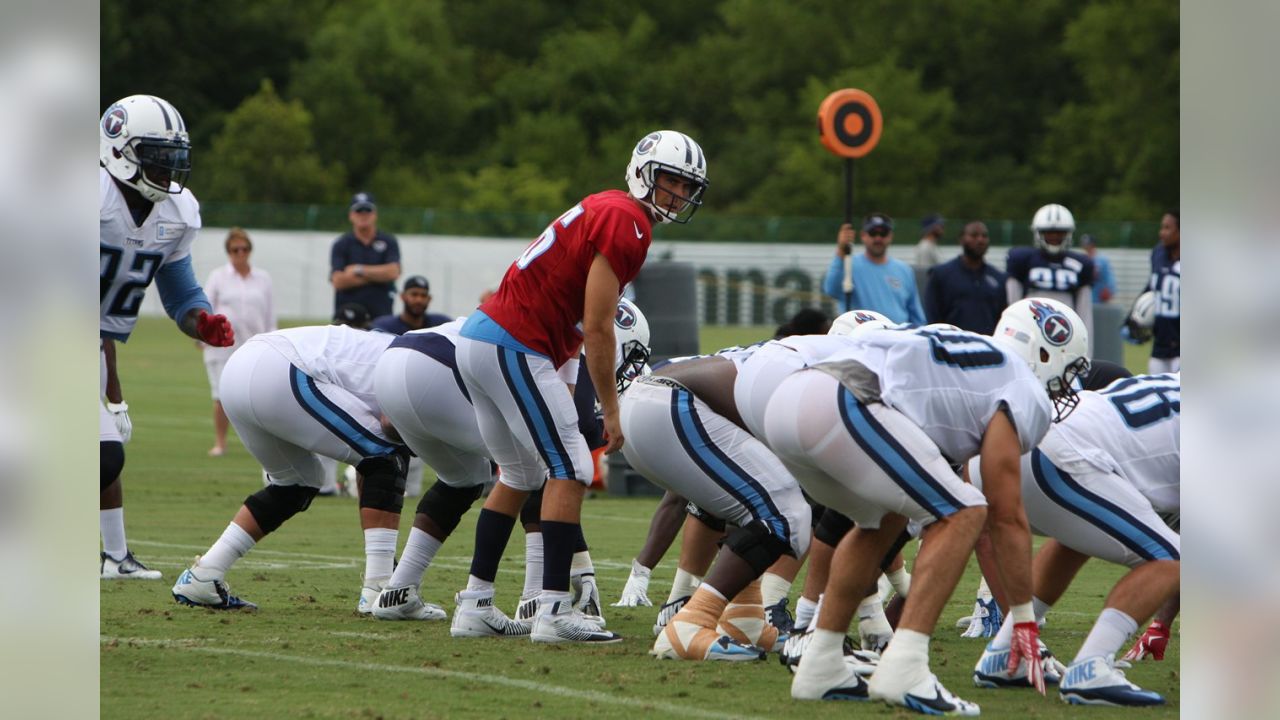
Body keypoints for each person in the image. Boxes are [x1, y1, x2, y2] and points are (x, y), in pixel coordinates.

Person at [749, 299, 1088, 714]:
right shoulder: (1022, 385)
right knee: (965, 510)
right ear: (1044, 352)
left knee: (879, 520)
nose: (1064, 389)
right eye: (1069, 374)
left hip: (790, 399)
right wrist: (1023, 619)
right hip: (847, 397)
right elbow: (1003, 512)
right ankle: (906, 666)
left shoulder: (972, 359)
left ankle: (821, 662)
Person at [449, 129, 707, 645]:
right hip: (512, 341)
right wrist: (610, 410)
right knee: (571, 465)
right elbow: (597, 325)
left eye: (685, 186)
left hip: (482, 337)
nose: (676, 194)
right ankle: (551, 610)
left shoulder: (607, 207)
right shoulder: (627, 219)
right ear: (642, 172)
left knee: (521, 471)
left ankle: (475, 603)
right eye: (669, 181)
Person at [371, 299, 651, 622]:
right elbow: (581, 431)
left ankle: (399, 589)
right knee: (538, 465)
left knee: (465, 479)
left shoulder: (550, 318)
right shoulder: (581, 337)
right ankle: (532, 601)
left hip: (400, 360)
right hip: (440, 365)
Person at [969, 372, 1178, 706]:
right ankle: (1090, 669)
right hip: (1061, 459)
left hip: (1007, 443)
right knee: (1173, 558)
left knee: (1079, 538)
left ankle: (1005, 653)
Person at [171, 323, 408, 612]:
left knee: (297, 482)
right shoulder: (420, 364)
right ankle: (381, 588)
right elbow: (389, 428)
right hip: (282, 368)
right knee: (387, 456)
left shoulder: (410, 350)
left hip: (240, 368)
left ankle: (203, 575)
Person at [99, 94, 235, 580]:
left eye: (173, 155)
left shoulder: (175, 212)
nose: (169, 167)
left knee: (104, 454)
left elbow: (179, 293)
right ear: (119, 149)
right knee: (99, 452)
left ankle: (115, 558)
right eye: (157, 155)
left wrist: (201, 320)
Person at [201, 228, 276, 457]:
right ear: (228, 252)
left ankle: (260, 444)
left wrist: (273, 341)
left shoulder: (263, 279)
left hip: (255, 346)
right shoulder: (217, 277)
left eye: (244, 249)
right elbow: (205, 309)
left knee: (257, 396)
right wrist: (202, 335)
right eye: (235, 250)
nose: (240, 253)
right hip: (221, 347)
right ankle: (221, 442)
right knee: (221, 396)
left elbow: (270, 314)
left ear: (250, 250)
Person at [1006, 203, 1095, 352]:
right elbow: (1011, 304)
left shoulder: (1080, 264)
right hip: (1029, 330)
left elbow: (1085, 312)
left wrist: (1085, 351)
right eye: (1049, 232)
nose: (1054, 236)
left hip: (1066, 333)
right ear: (1038, 233)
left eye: (1059, 233)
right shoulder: (1023, 259)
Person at [821, 213, 926, 323]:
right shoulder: (848, 265)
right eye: (873, 233)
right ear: (863, 236)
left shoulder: (905, 270)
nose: (878, 238)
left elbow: (915, 313)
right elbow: (831, 289)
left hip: (897, 337)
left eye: (883, 233)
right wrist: (841, 250)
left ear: (890, 236)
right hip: (861, 337)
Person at [923, 221, 1007, 334]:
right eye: (974, 235)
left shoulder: (998, 278)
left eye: (984, 236)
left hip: (987, 348)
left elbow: (1002, 319)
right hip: (951, 346)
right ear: (961, 239)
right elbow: (932, 317)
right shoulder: (941, 274)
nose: (980, 240)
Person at [330, 192, 401, 319]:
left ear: (375, 215)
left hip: (380, 314)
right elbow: (338, 281)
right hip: (347, 316)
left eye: (367, 210)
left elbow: (393, 272)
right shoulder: (341, 244)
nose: (363, 215)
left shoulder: (389, 241)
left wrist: (358, 270)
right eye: (359, 211)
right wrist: (378, 277)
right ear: (351, 215)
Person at [1147, 210, 1180, 372]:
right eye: (1162, 228)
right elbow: (1151, 287)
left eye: (1168, 228)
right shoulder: (1158, 254)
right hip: (1159, 345)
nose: (1162, 233)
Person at [371, 275, 452, 335]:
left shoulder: (441, 324)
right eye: (414, 294)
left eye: (423, 295)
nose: (419, 300)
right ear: (403, 296)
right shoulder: (384, 326)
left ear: (429, 299)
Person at [1080, 234, 1116, 303]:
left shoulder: (1102, 260)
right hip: (1085, 294)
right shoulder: (1082, 258)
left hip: (1098, 294)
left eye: (1088, 244)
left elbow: (1108, 276)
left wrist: (1109, 290)